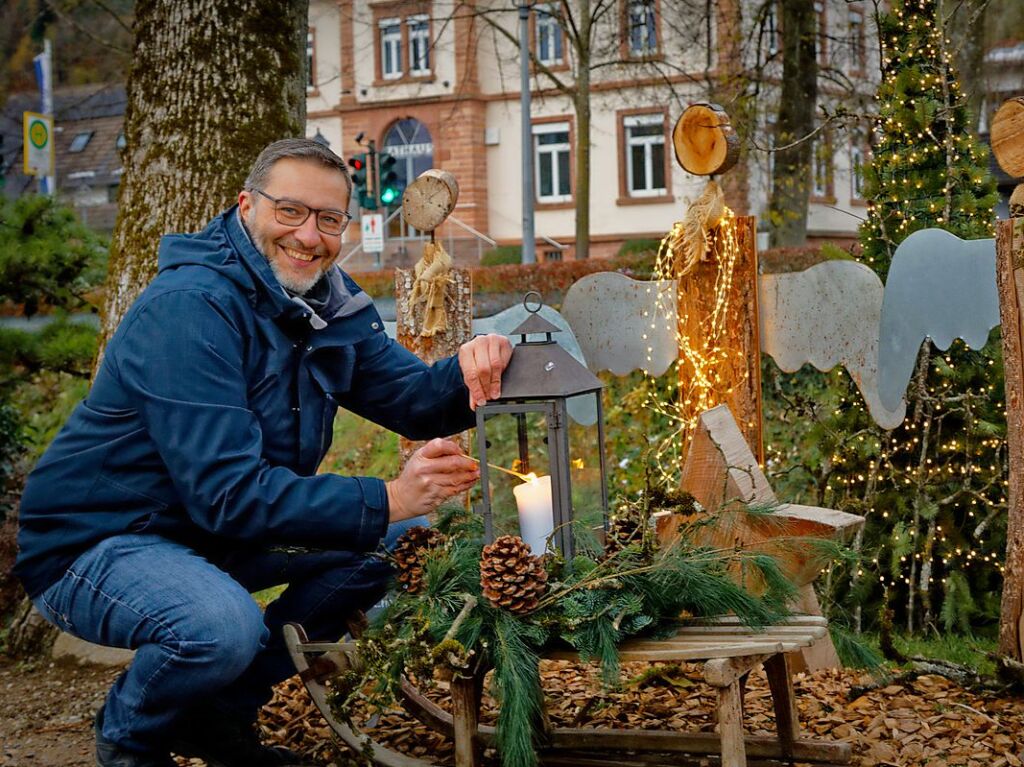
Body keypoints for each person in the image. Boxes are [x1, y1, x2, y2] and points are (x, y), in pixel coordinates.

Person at [13, 138, 512, 767]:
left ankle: (218, 715)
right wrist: (387, 495)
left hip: (208, 534)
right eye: (291, 212)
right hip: (98, 541)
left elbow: (412, 398)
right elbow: (229, 494)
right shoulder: (190, 309)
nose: (311, 236)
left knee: (402, 538)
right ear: (246, 205)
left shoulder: (323, 300)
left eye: (330, 220)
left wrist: (480, 362)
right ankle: (131, 739)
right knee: (217, 625)